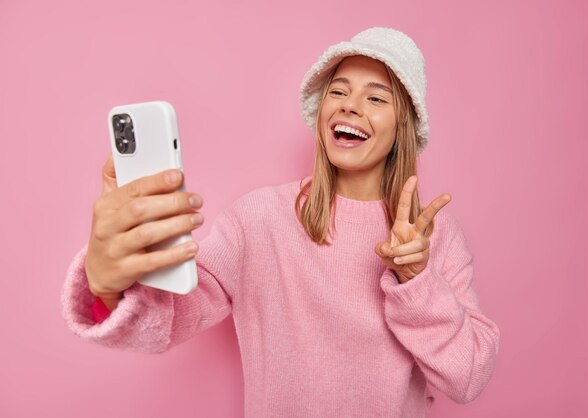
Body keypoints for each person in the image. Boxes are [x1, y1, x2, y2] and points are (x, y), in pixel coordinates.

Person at [61, 27, 500, 417]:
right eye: (339, 90)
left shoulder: (437, 236)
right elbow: (166, 320)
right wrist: (105, 284)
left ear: (402, 126)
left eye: (376, 98)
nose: (350, 106)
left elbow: (469, 377)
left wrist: (416, 279)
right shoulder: (259, 220)